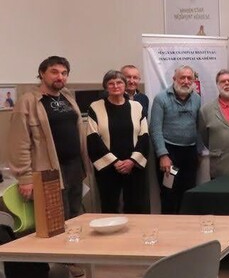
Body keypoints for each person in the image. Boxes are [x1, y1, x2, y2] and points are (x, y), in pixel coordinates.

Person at [8, 56, 88, 219]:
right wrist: (25, 178)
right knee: (56, 220)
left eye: (64, 73)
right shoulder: (27, 102)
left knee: (76, 216)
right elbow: (19, 143)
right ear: (42, 73)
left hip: (74, 167)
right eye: (54, 72)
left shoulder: (67, 97)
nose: (60, 77)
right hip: (49, 170)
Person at [86, 70, 149, 213]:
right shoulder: (95, 107)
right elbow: (93, 137)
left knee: (136, 206)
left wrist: (132, 161)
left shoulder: (137, 107)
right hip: (108, 168)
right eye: (111, 83)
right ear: (105, 86)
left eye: (119, 82)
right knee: (110, 206)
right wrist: (114, 162)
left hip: (133, 167)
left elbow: (144, 135)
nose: (115, 86)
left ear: (125, 85)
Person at [149, 65, 201, 214]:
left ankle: (186, 227)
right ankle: (168, 227)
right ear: (174, 79)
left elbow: (198, 126)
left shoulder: (197, 99)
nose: (186, 81)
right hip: (169, 154)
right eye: (182, 77)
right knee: (169, 193)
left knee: (188, 194)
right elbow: (155, 129)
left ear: (193, 81)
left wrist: (197, 151)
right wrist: (163, 155)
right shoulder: (161, 98)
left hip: (190, 153)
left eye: (189, 78)